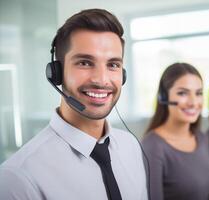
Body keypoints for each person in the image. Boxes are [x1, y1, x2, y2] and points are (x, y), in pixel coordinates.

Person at [0, 9, 147, 200]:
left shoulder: (131, 146)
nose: (102, 80)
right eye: (85, 63)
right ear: (56, 73)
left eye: (113, 65)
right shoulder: (18, 178)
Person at [142, 63, 209, 200]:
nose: (193, 102)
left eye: (199, 93)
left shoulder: (202, 138)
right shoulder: (153, 146)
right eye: (183, 93)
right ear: (163, 97)